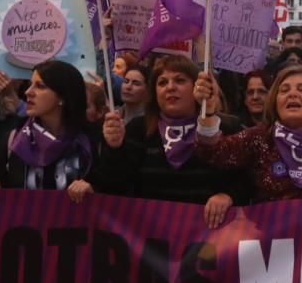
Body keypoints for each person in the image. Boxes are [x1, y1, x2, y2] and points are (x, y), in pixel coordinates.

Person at [194, 67, 302, 227]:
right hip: (269, 248)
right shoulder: (259, 137)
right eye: (284, 90)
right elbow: (213, 153)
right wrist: (208, 112)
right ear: (275, 101)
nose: (292, 94)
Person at [98, 56, 246, 205]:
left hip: (212, 227)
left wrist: (228, 196)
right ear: (154, 93)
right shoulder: (138, 129)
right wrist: (114, 149)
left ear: (198, 86)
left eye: (180, 80)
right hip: (151, 226)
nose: (170, 87)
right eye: (162, 82)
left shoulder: (227, 127)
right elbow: (115, 187)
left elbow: (245, 181)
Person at [0, 60, 100, 202]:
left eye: (40, 86)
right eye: (30, 85)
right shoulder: (14, 139)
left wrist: (92, 189)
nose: (28, 92)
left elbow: (113, 193)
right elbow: (2, 186)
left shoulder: (89, 141)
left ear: (62, 96)